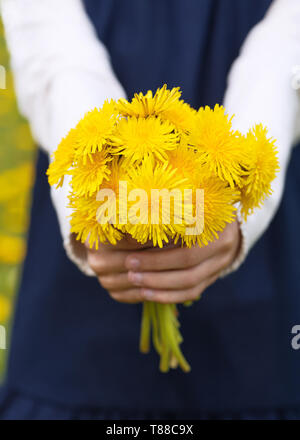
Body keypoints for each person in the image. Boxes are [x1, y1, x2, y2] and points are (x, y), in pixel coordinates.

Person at [0, 0, 300, 420]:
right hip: (75, 319)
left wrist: (240, 193)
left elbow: (289, 43)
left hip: (260, 158)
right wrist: (97, 179)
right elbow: (48, 34)